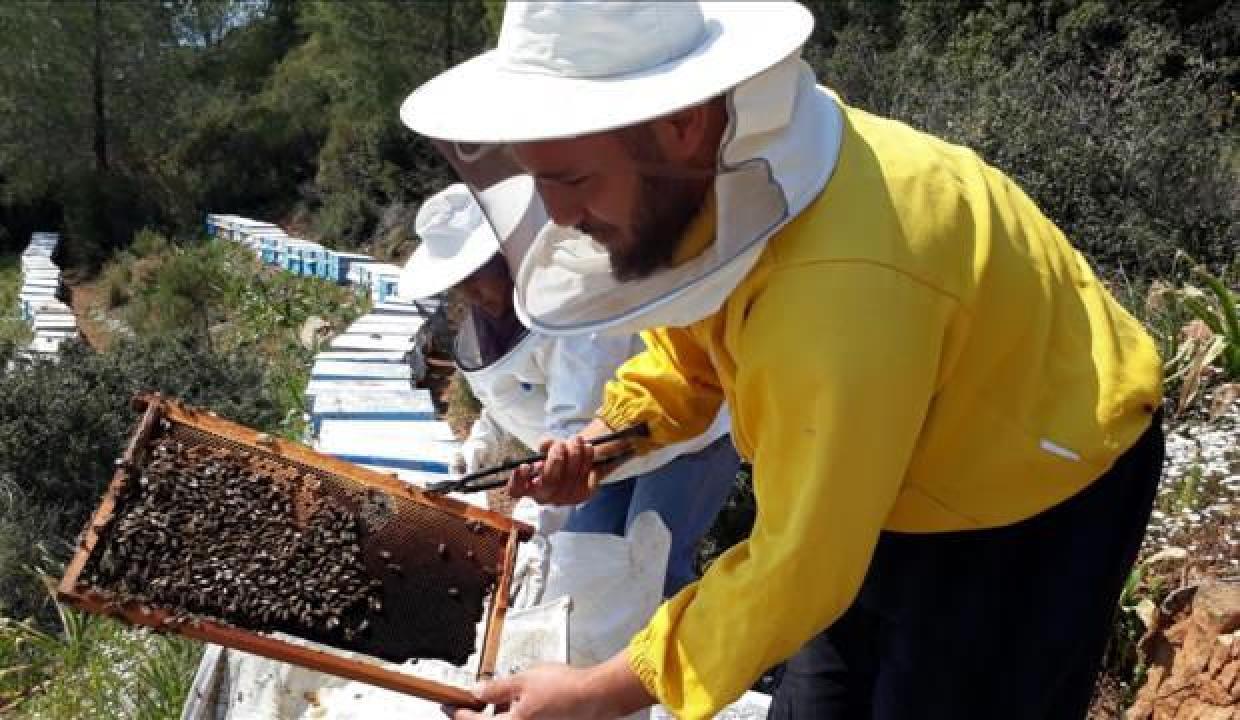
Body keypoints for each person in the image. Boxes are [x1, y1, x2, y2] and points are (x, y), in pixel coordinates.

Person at [401, 2, 1166, 719]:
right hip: (891, 455)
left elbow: (799, 569)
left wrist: (598, 691)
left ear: (678, 123)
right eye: (540, 179)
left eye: (571, 179)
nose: (559, 214)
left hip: (1036, 485)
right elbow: (692, 341)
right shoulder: (734, 173)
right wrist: (609, 435)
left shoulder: (837, 292)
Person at [400, 181, 739, 598]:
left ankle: (710, 659)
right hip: (607, 453)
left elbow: (574, 420)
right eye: (459, 283)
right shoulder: (492, 322)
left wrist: (535, 516)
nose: (470, 293)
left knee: (653, 574)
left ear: (507, 258)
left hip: (683, 436)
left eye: (476, 277)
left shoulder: (574, 306)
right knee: (585, 572)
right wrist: (479, 448)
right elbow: (507, 393)